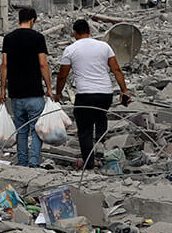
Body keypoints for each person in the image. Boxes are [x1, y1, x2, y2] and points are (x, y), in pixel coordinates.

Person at [55, 19, 131, 169]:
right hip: (105, 94)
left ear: (74, 33)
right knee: (101, 115)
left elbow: (62, 75)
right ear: (89, 32)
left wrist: (58, 93)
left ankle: (89, 164)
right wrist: (124, 91)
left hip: (85, 95)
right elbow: (116, 70)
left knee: (84, 129)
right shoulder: (104, 46)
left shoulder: (70, 49)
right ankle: (100, 143)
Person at [0, 7, 53, 168]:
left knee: (21, 130)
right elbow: (43, 64)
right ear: (32, 21)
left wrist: (2, 90)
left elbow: (4, 65)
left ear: (18, 20)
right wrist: (49, 88)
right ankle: (33, 162)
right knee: (37, 129)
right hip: (34, 92)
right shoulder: (38, 38)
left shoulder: (8, 38)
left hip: (16, 93)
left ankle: (22, 163)